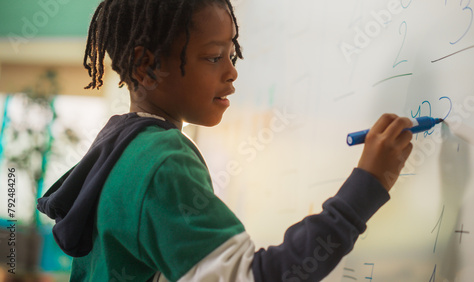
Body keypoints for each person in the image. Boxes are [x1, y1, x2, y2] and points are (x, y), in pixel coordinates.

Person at [37, 0, 414, 281]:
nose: (232, 72)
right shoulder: (161, 162)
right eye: (214, 57)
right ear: (146, 66)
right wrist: (368, 184)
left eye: (231, 54)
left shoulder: (120, 145)